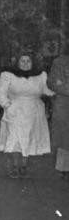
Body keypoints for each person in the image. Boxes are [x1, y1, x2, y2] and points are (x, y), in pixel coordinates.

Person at [0, 53, 54, 179]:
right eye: (22, 61)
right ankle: (15, 166)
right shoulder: (8, 75)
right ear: (17, 62)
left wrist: (56, 92)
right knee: (15, 138)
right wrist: (7, 106)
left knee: (28, 138)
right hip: (15, 111)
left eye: (28, 61)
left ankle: (24, 166)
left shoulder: (40, 75)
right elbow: (1, 93)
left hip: (34, 112)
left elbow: (45, 90)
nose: (25, 63)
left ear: (32, 62)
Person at [49, 50, 69, 180]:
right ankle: (64, 168)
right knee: (65, 137)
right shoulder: (59, 62)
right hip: (64, 106)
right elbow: (53, 82)